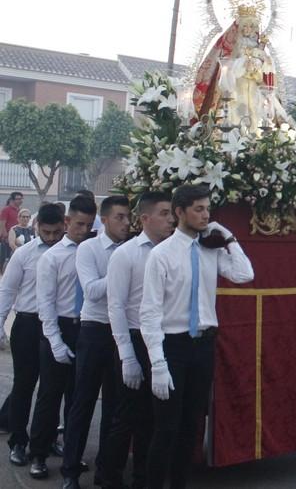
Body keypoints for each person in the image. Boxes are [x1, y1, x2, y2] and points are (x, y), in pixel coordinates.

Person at [140, 184, 254, 488]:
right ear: (180, 212)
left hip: (203, 345)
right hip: (172, 346)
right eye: (199, 209)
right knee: (166, 428)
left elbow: (245, 274)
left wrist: (229, 237)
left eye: (208, 209)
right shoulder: (161, 255)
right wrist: (158, 363)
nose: (206, 215)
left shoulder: (210, 249)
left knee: (190, 426)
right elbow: (150, 312)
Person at [102, 191, 174, 488]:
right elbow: (116, 306)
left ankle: (143, 479)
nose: (171, 220)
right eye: (164, 213)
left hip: (162, 340)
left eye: (172, 213)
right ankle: (110, 478)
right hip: (134, 339)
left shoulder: (173, 252)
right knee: (126, 417)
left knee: (153, 419)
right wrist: (127, 356)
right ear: (145, 218)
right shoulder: (126, 254)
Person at [61, 195, 133, 489]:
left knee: (115, 406)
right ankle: (70, 471)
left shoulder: (132, 248)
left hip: (122, 331)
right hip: (94, 330)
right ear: (104, 220)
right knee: (83, 402)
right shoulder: (89, 248)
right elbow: (91, 290)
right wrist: (120, 271)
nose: (126, 223)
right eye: (119, 217)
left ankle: (107, 470)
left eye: (128, 217)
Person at [26, 195, 97, 480]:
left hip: (86, 327)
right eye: (79, 224)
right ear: (67, 221)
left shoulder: (94, 252)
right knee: (49, 395)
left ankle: (72, 453)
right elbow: (46, 303)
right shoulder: (52, 257)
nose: (84, 230)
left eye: (89, 225)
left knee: (78, 398)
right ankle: (38, 453)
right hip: (59, 327)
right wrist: (55, 341)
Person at [0, 203, 65, 468]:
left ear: (64, 225)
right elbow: (7, 290)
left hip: (58, 327)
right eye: (46, 232)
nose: (51, 238)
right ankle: (18, 441)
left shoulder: (71, 252)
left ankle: (47, 438)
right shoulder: (24, 254)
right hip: (28, 324)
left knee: (52, 389)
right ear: (37, 227)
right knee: (24, 385)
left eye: (56, 232)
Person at [1, 192, 25, 268]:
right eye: (18, 199)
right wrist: (6, 237)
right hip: (8, 239)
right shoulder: (6, 210)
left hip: (19, 239)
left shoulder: (20, 211)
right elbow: (2, 224)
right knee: (6, 259)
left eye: (21, 199)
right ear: (12, 200)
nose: (20, 200)